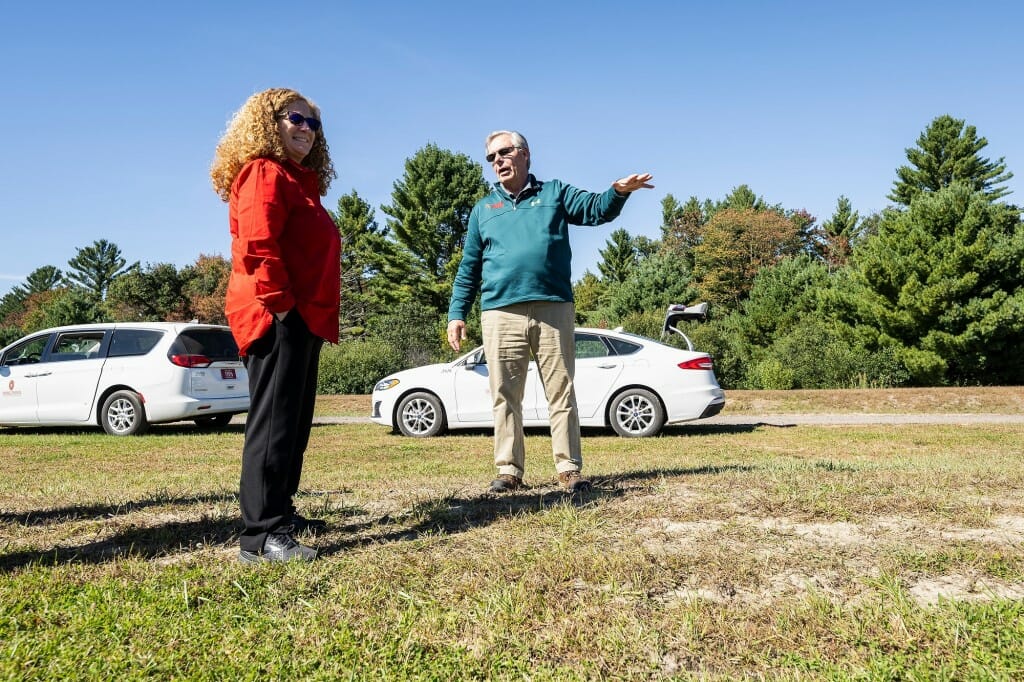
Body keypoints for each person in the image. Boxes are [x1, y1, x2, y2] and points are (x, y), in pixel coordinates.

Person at [447, 130, 652, 493]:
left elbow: (594, 210)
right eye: (491, 157)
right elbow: (469, 266)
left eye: (504, 153)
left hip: (553, 306)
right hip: (500, 312)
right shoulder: (483, 209)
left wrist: (618, 192)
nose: (497, 161)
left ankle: (569, 469)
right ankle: (509, 471)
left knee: (561, 391)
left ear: (524, 154)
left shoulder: (553, 193)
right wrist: (456, 313)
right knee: (505, 395)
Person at [210, 88, 340, 563]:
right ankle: (260, 536)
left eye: (314, 123)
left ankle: (279, 511)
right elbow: (257, 245)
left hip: (303, 317)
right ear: (269, 122)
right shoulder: (263, 172)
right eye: (297, 118)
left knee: (294, 423)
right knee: (272, 425)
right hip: (275, 314)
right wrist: (283, 308)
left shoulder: (298, 181)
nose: (306, 128)